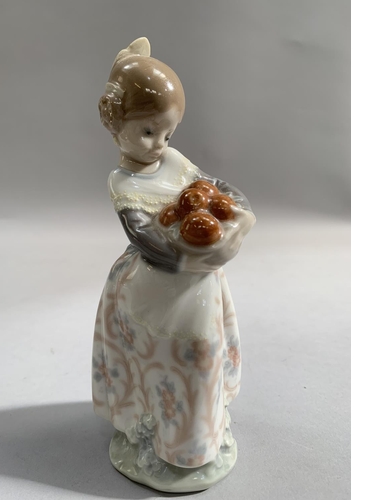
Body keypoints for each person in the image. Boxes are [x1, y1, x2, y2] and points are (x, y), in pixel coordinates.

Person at [92, 38, 255, 484]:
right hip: (157, 283)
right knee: (179, 356)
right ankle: (165, 439)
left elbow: (215, 187)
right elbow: (144, 237)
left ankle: (197, 439)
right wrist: (193, 257)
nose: (159, 144)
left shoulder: (172, 160)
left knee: (203, 353)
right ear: (116, 124)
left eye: (168, 133)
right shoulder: (123, 182)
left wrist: (237, 212)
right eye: (149, 132)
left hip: (198, 277)